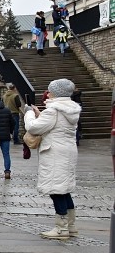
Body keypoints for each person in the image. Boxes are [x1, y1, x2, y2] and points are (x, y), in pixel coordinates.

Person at [22, 79, 82, 239]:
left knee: (56, 190)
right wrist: (40, 114)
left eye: (49, 91)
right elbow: (56, 125)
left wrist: (28, 113)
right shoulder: (70, 109)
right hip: (68, 151)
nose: (48, 93)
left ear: (55, 93)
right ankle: (71, 226)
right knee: (65, 188)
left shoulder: (53, 110)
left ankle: (61, 229)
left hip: (54, 152)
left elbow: (33, 127)